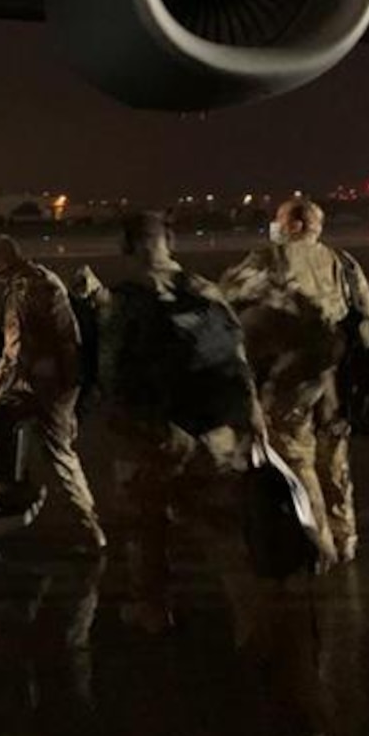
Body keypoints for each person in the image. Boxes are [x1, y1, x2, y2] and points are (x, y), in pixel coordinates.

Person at [99, 211, 266, 634]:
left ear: (128, 246)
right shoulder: (204, 290)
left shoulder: (128, 299)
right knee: (221, 529)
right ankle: (250, 615)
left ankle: (153, 609)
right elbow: (237, 359)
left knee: (147, 527)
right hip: (216, 431)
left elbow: (115, 376)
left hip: (159, 438)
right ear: (170, 242)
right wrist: (251, 420)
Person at [220, 196, 369, 567]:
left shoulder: (269, 259)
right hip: (339, 377)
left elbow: (226, 292)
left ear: (290, 224)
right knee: (335, 458)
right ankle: (346, 537)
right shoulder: (344, 263)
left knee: (297, 457)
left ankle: (318, 545)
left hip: (295, 377)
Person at [0, 235, 108, 554]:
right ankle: (18, 497)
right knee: (19, 437)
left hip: (46, 386)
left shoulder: (21, 292)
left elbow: (12, 355)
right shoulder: (45, 276)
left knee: (56, 454)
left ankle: (90, 532)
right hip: (64, 381)